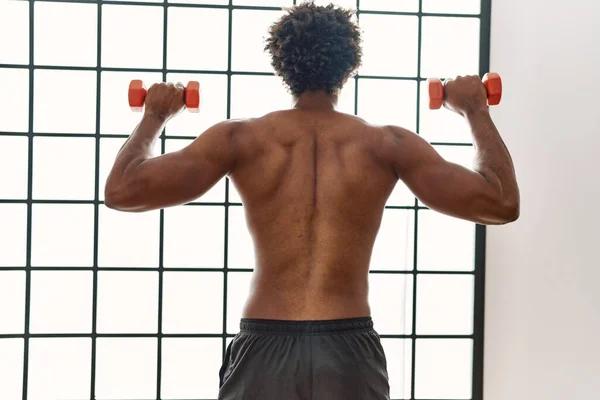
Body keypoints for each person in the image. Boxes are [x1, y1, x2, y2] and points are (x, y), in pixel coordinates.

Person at [105, 2, 520, 399]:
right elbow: (500, 203)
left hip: (264, 346)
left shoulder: (239, 139)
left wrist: (154, 115)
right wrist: (474, 108)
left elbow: (123, 191)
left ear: (282, 65)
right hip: (347, 349)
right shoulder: (388, 144)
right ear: (349, 67)